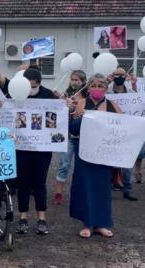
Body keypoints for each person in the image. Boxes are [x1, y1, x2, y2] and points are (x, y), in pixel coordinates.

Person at [0, 51, 56, 235]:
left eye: (35, 87)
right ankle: (23, 217)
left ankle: (42, 219)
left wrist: (67, 106)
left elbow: (59, 117)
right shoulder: (16, 88)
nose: (32, 90)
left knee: (40, 183)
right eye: (30, 86)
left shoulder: (49, 94)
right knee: (23, 182)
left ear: (40, 83)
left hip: (42, 149)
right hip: (20, 147)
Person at [69, 73, 122, 238]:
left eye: (101, 86)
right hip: (85, 152)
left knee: (103, 188)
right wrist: (85, 118)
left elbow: (121, 129)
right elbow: (73, 128)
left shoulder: (113, 106)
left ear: (106, 88)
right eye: (94, 86)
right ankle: (87, 224)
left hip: (104, 154)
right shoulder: (82, 103)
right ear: (89, 87)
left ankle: (102, 224)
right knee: (85, 187)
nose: (97, 89)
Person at [53, 70, 88, 205]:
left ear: (83, 82)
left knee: (80, 166)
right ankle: (58, 192)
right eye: (72, 79)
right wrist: (61, 102)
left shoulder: (88, 97)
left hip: (83, 137)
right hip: (67, 136)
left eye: (77, 80)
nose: (74, 82)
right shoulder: (65, 95)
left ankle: (77, 191)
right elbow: (57, 113)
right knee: (64, 164)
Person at [107, 67, 138, 200]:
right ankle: (107, 187)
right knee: (108, 160)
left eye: (122, 75)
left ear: (126, 76)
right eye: (116, 75)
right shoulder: (107, 91)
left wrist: (135, 84)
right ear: (112, 76)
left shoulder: (130, 91)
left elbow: (138, 103)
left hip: (126, 131)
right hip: (110, 130)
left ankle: (128, 189)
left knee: (127, 161)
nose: (119, 77)